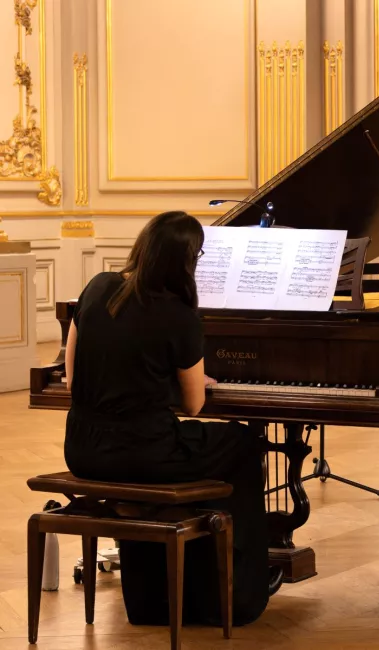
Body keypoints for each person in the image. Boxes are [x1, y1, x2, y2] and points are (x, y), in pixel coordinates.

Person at [64, 211, 269, 627]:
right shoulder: (179, 315)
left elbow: (72, 378)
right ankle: (230, 594)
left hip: (82, 449)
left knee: (211, 447)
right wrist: (182, 377)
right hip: (144, 453)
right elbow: (193, 406)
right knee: (244, 444)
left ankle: (153, 597)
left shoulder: (98, 286)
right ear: (187, 262)